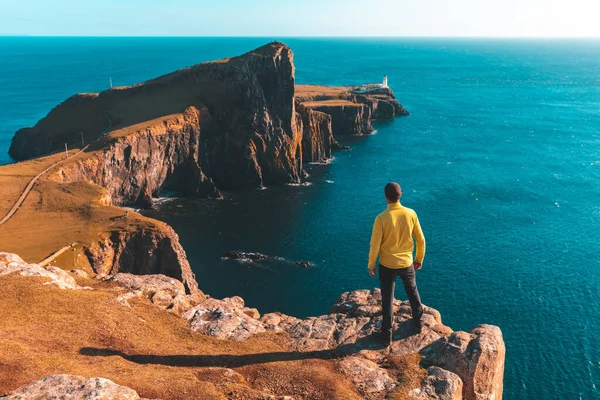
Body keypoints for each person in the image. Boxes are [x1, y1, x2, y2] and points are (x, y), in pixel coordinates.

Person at [368, 182, 426, 346]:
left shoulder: (381, 218)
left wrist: (371, 264)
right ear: (400, 195)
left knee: (387, 298)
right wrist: (418, 259)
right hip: (407, 263)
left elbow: (375, 245)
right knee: (412, 291)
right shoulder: (411, 213)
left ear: (386, 197)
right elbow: (421, 240)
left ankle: (386, 334)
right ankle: (418, 323)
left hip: (387, 265)